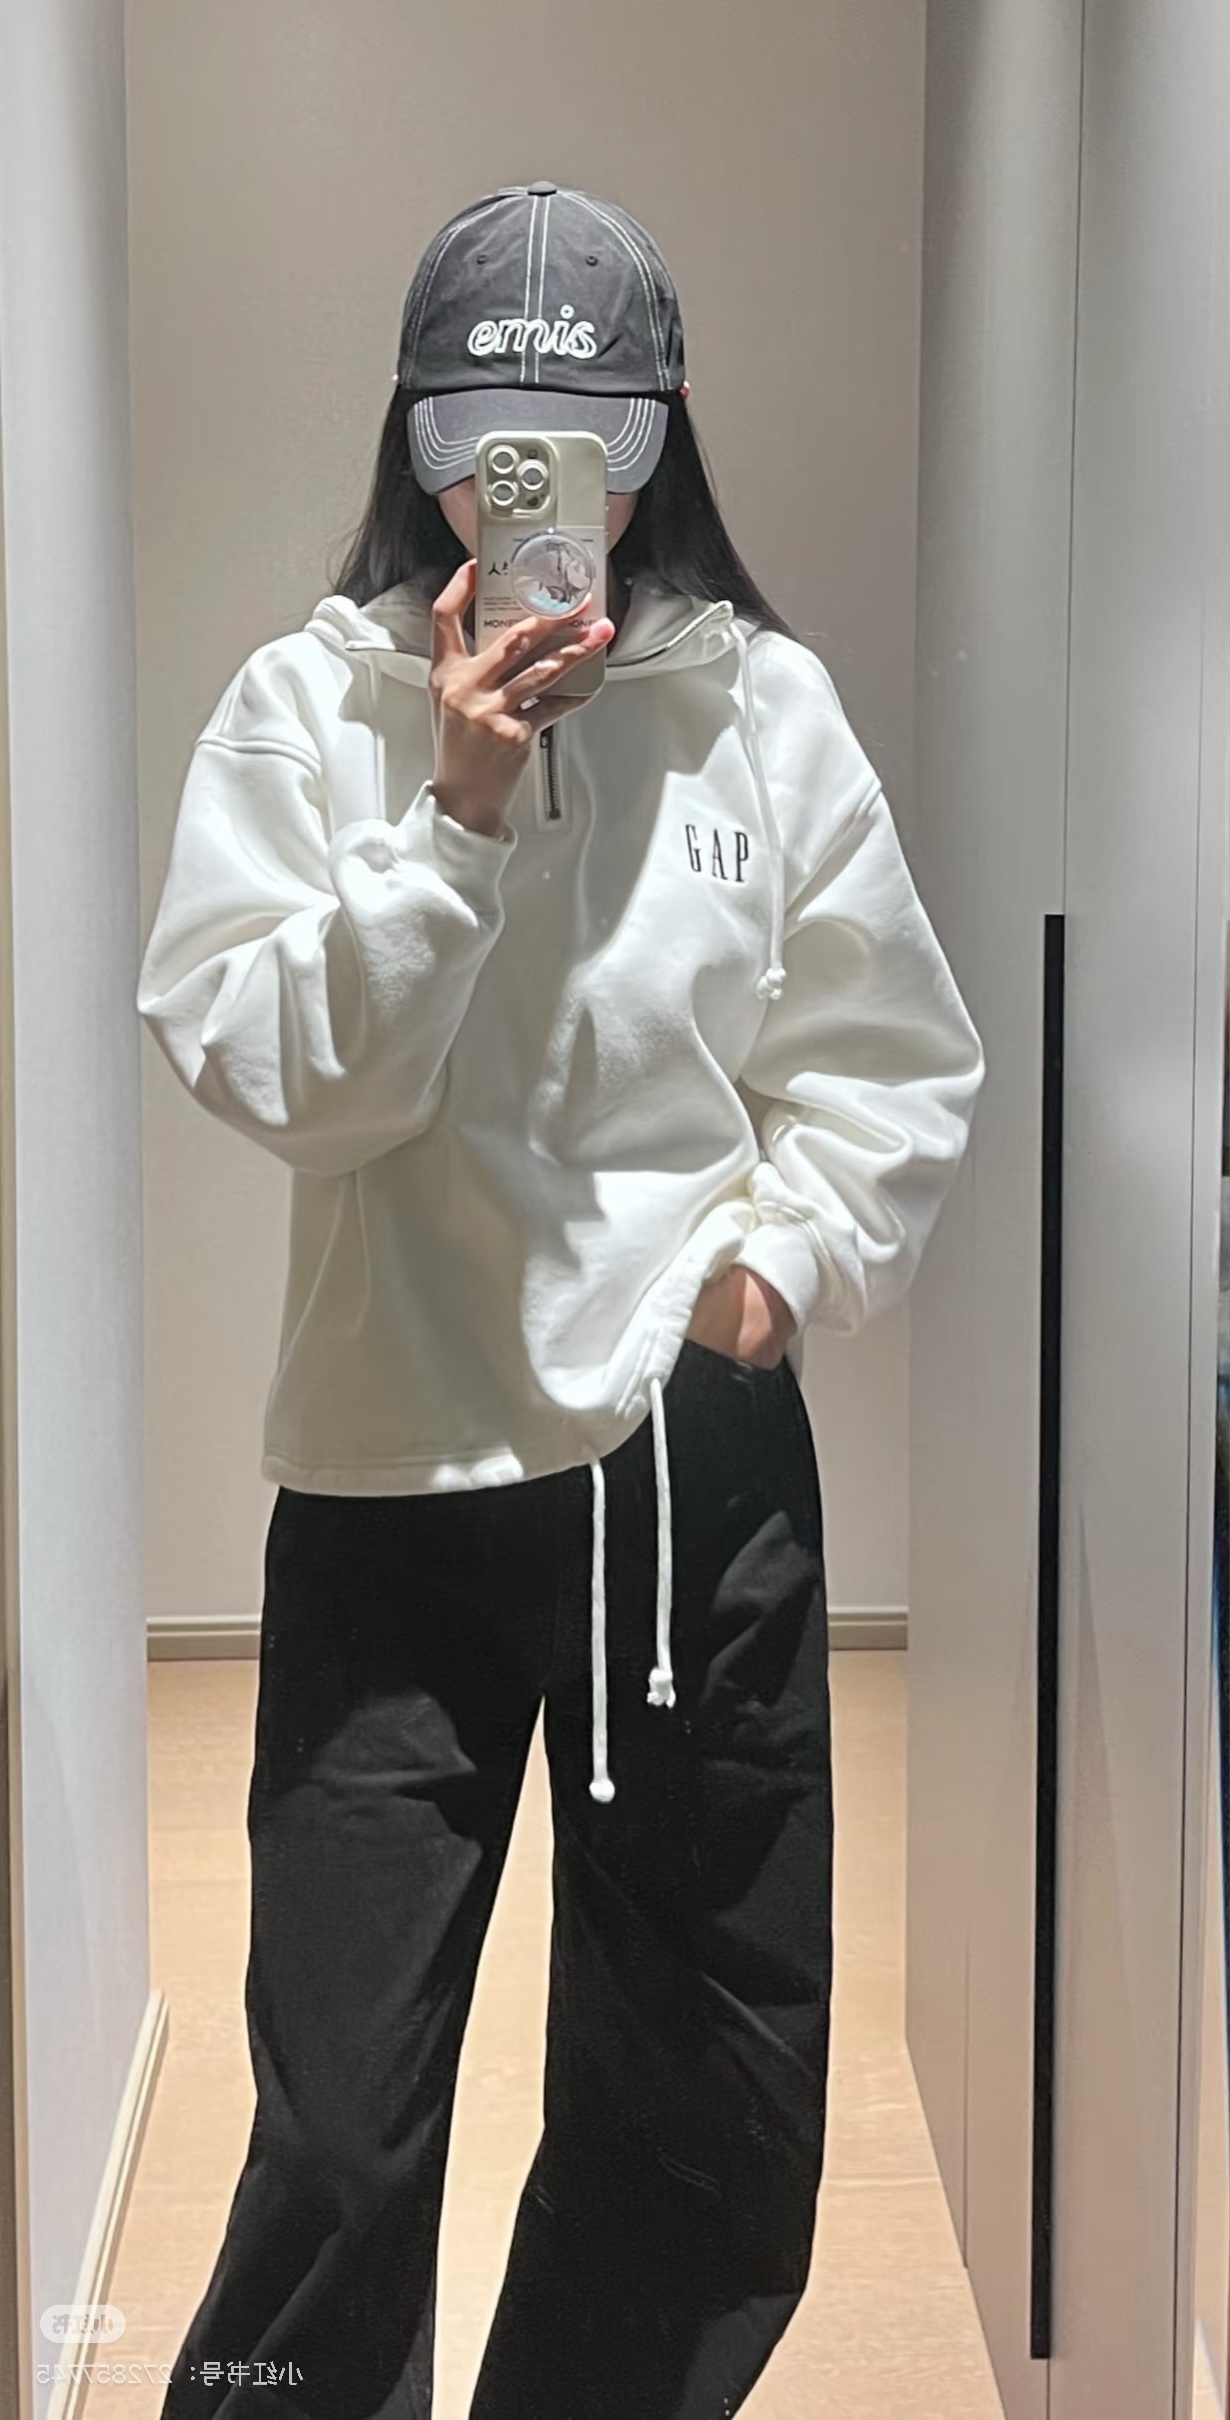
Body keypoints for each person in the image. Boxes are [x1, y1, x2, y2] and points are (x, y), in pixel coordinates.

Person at [137, 181, 986, 2420]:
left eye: (577, 452)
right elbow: (277, 1073)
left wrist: (776, 1266)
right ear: (416, 439)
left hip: (685, 1481)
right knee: (337, 2129)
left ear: (655, 437)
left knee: (700, 2104)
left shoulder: (762, 710)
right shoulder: (304, 710)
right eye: (481, 452)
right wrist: (453, 816)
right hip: (389, 1471)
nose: (525, 502)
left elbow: (888, 1057)